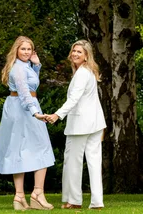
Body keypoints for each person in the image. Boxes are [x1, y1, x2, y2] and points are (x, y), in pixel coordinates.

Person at [0, 36, 55, 210]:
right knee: (41, 147)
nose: (26, 52)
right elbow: (25, 92)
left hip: (20, 108)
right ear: (16, 50)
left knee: (18, 149)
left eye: (29, 49)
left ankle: (20, 196)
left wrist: (37, 65)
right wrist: (35, 112)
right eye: (23, 49)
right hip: (24, 109)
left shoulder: (25, 66)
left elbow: (32, 85)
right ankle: (36, 193)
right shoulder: (18, 69)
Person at [45, 40, 106, 210]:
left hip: (81, 125)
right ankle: (96, 202)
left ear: (86, 56)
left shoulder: (82, 74)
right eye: (74, 51)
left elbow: (74, 99)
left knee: (73, 162)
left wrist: (57, 114)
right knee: (94, 163)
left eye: (79, 52)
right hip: (95, 123)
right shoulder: (90, 72)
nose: (75, 54)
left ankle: (74, 200)